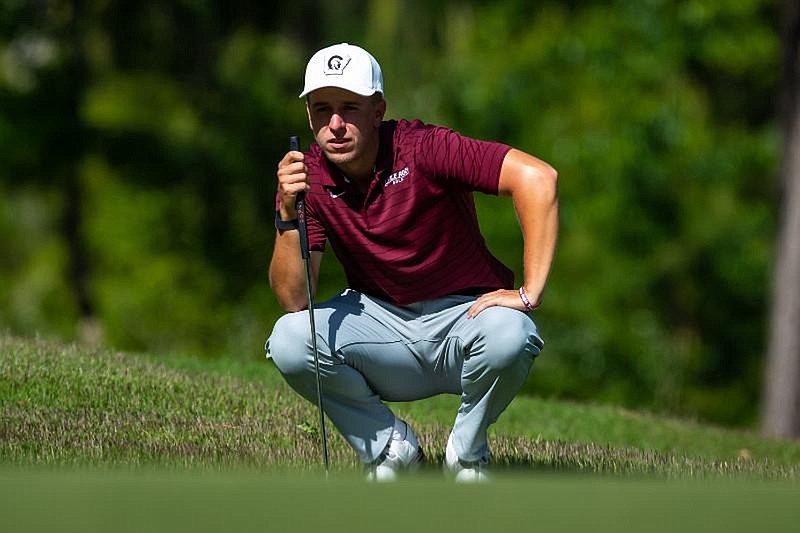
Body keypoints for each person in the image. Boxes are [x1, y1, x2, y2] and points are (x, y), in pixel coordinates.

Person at [266, 43, 558, 481]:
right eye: (322, 109)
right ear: (309, 115)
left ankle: (467, 455)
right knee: (290, 339)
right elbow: (293, 299)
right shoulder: (304, 178)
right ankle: (391, 450)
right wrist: (288, 213)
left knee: (512, 332)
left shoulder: (423, 147)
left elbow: (537, 178)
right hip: (380, 326)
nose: (336, 124)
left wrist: (529, 292)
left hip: (464, 320)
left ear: (378, 108)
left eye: (350, 107)